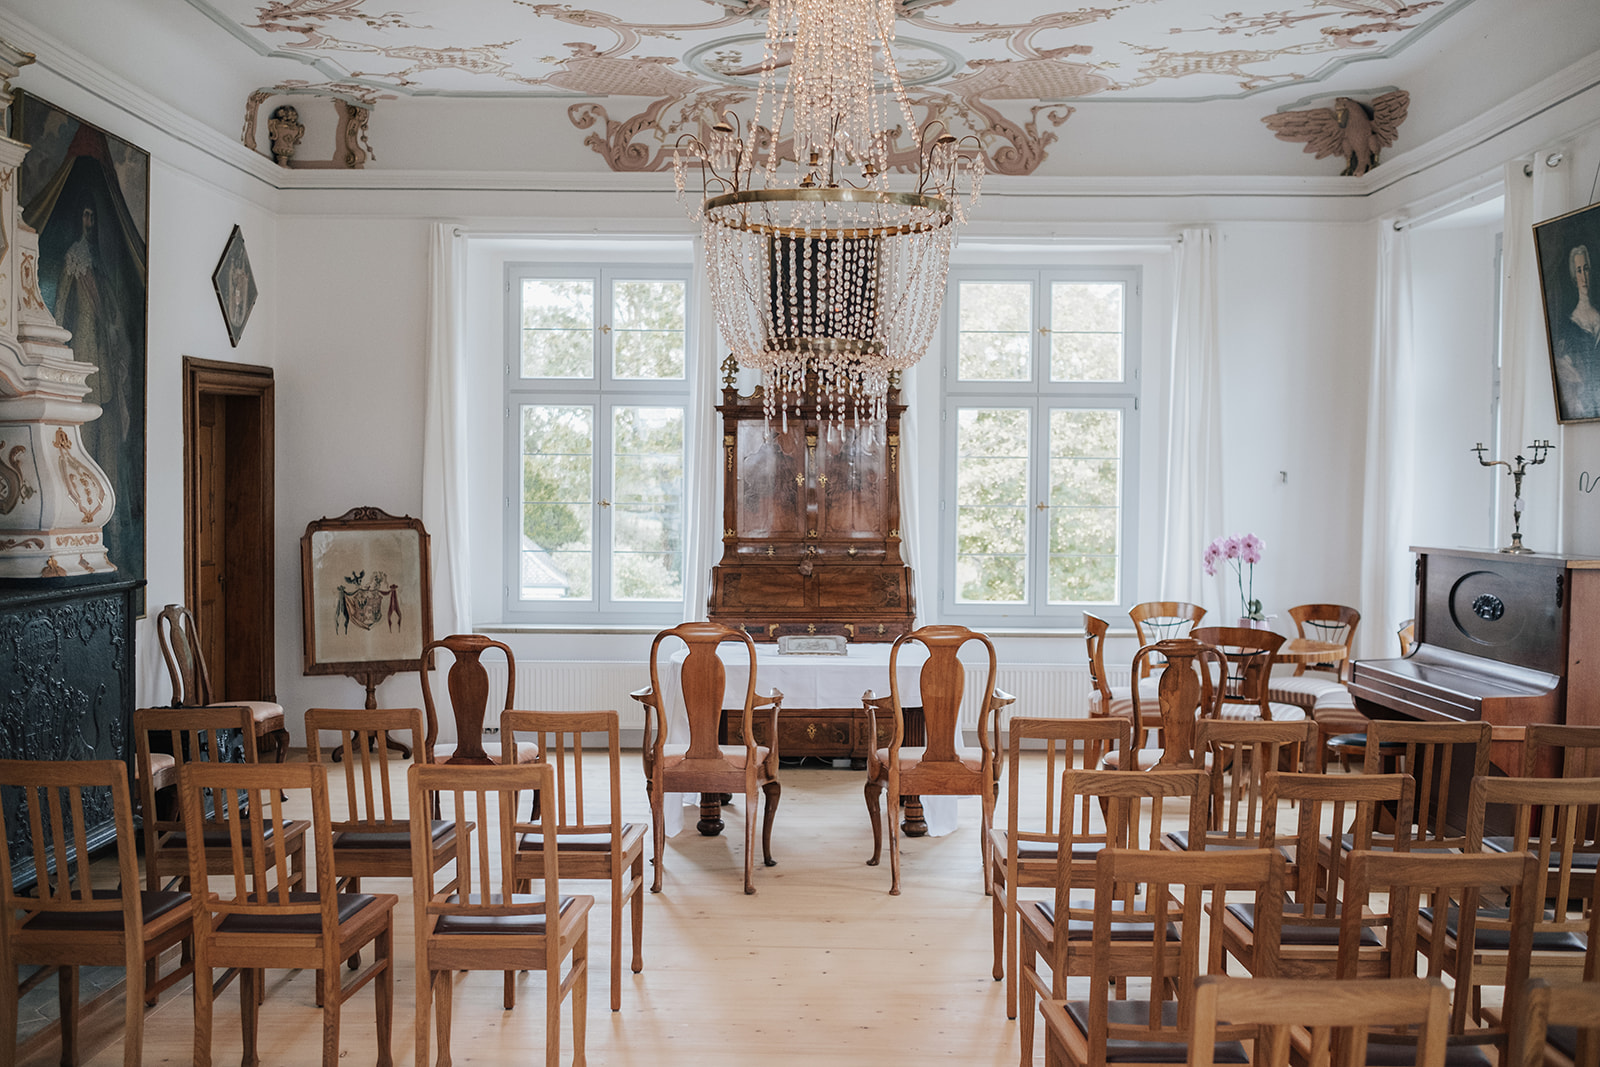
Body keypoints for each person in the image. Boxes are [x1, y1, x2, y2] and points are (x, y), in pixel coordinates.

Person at [1553, 244, 1600, 419]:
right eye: (1579, 270)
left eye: (1586, 269)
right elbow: (1564, 366)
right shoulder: (1571, 325)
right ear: (1574, 276)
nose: (1583, 276)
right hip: (1583, 405)